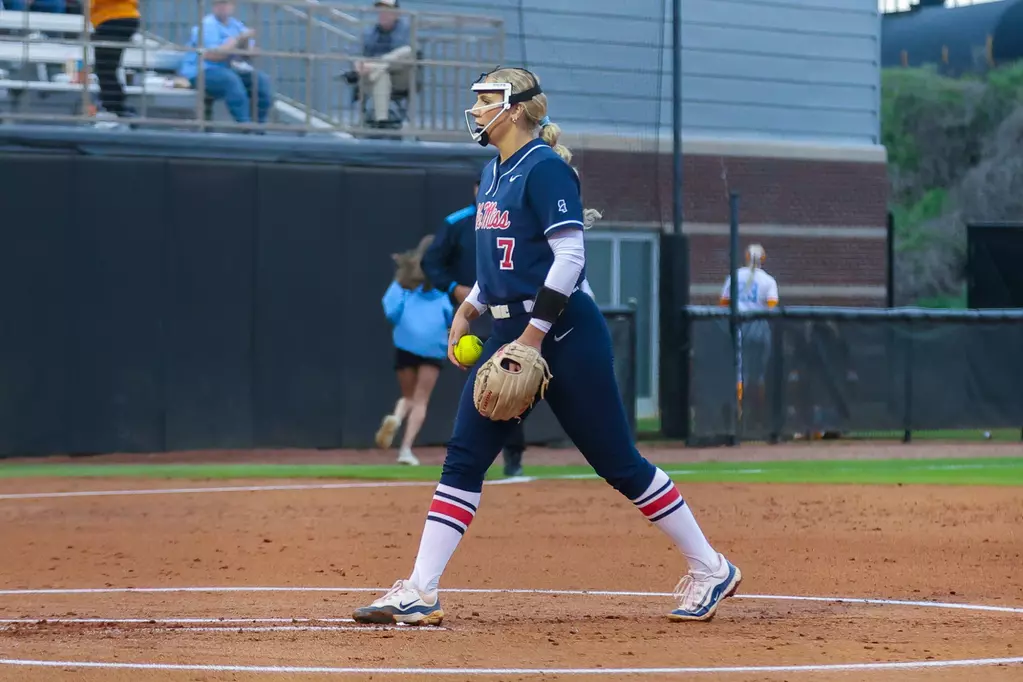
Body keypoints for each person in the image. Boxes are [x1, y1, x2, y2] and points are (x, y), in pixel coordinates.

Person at [353, 66, 741, 626]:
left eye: (487, 99)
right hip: (508, 330)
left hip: (563, 332)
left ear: (515, 109)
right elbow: (503, 262)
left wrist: (534, 335)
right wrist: (469, 308)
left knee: (618, 462)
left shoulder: (545, 168)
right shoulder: (493, 171)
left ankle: (710, 567)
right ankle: (420, 589)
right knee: (464, 456)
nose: (477, 109)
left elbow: (570, 257)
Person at [375, 235, 453, 466]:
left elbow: (391, 310)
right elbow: (449, 313)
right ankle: (405, 450)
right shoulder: (444, 280)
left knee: (408, 396)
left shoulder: (405, 279)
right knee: (421, 400)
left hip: (406, 342)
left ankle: (397, 417)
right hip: (432, 344)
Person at [179, 0, 274, 126]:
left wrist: (247, 44)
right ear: (213, 6)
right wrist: (238, 39)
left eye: (226, 3)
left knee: (261, 80)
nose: (222, 7)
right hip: (201, 71)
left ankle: (259, 127)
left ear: (233, 6)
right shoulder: (207, 25)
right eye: (219, 3)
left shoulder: (236, 25)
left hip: (228, 70)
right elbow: (214, 56)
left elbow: (249, 54)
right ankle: (245, 126)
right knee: (231, 81)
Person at [720, 244, 779, 426]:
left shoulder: (734, 276)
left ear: (746, 257)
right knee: (759, 373)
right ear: (763, 259)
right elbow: (772, 308)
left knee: (739, 371)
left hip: (737, 327)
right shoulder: (768, 280)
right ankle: (758, 415)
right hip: (759, 329)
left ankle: (738, 413)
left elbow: (723, 304)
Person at [86, 0, 140, 120]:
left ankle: (114, 107)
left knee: (105, 68)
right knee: (107, 67)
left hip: (113, 17)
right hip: (118, 16)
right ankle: (114, 105)